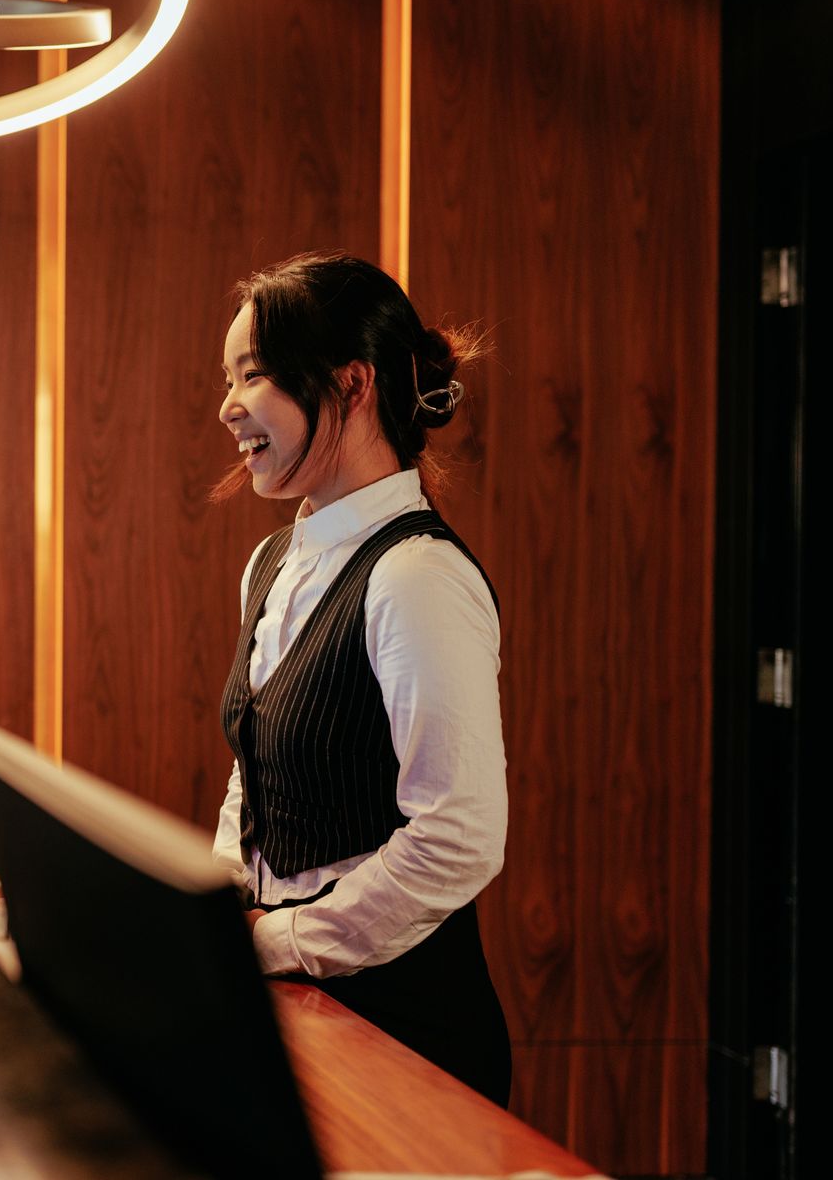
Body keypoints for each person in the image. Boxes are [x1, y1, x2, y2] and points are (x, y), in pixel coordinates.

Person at [209, 251, 512, 1104]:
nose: (227, 406)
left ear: (350, 385)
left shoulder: (417, 576)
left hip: (403, 1026)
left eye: (254, 374)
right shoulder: (272, 560)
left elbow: (458, 837)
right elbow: (254, 768)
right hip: (296, 1002)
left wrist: (277, 939)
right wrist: (223, 906)